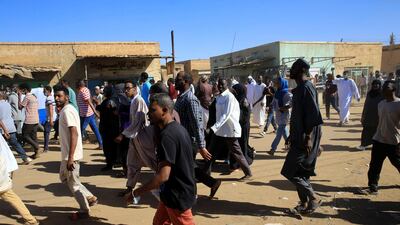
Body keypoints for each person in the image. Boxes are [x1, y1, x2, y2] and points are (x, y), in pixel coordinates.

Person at [128, 93, 196, 225]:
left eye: (153, 110)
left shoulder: (168, 136)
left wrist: (136, 192)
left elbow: (163, 176)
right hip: (170, 193)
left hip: (177, 196)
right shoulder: (178, 129)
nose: (148, 114)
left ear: (164, 110)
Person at [281, 58, 323, 215]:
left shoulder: (307, 87)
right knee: (301, 171)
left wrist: (308, 138)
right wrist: (291, 135)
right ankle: (304, 203)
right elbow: (297, 116)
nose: (290, 72)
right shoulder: (299, 89)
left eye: (292, 69)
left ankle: (313, 198)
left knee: (289, 171)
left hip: (306, 136)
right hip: (299, 135)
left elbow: (313, 115)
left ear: (299, 71)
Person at [175, 72, 221, 198]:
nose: (175, 81)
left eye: (178, 79)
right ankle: (212, 183)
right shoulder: (182, 97)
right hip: (183, 139)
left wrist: (201, 146)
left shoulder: (191, 99)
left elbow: (197, 124)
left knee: (186, 169)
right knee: (188, 167)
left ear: (186, 82)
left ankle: (192, 195)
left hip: (190, 141)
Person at [54, 86, 97, 220]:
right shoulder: (66, 110)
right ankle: (90, 197)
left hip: (71, 155)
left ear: (67, 97)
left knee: (73, 184)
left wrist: (71, 157)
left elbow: (74, 133)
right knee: (64, 178)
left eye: (59, 96)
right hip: (66, 155)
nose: (57, 98)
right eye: (55, 96)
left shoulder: (67, 111)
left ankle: (84, 210)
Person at [206, 78, 253, 180]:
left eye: (222, 85)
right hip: (220, 130)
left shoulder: (230, 98)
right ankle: (206, 173)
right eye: (219, 85)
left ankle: (248, 173)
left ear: (227, 85)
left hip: (229, 130)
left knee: (237, 152)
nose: (220, 86)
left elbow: (225, 115)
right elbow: (218, 114)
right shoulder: (219, 97)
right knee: (211, 150)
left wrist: (213, 128)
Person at [360, 81, 400, 195]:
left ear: (393, 89)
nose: (384, 89)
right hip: (379, 139)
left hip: (394, 141)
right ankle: (373, 187)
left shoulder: (398, 104)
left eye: (387, 87)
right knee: (374, 165)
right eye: (384, 87)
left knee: (397, 162)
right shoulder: (381, 104)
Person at [114, 81, 149, 194]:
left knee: (152, 163)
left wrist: (123, 134)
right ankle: (130, 188)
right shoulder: (133, 101)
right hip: (134, 137)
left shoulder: (138, 101)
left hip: (141, 137)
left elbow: (138, 122)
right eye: (125, 88)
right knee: (132, 163)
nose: (126, 90)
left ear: (135, 88)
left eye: (128, 88)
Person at [0, 139, 39, 225]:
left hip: (2, 180)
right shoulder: (2, 143)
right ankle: (31, 220)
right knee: (15, 200)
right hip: (3, 180)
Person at [0, 91, 32, 164]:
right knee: (15, 144)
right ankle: (25, 158)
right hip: (11, 126)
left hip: (3, 129)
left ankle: (6, 162)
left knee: (3, 146)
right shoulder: (7, 104)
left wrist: (5, 130)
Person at [96, 86, 120, 171]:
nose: (104, 93)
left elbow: (102, 108)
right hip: (113, 128)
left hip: (108, 129)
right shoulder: (116, 99)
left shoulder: (110, 100)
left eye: (105, 91)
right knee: (114, 147)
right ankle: (115, 162)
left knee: (108, 147)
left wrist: (97, 103)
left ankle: (110, 164)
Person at [231, 84, 254, 170]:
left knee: (243, 144)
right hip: (239, 126)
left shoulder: (244, 100)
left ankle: (244, 162)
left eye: (236, 90)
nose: (235, 92)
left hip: (243, 126)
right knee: (238, 144)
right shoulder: (238, 99)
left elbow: (245, 116)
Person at [268, 77, 292, 156]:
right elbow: (274, 102)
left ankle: (273, 149)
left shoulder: (286, 93)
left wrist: (285, 107)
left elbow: (291, 102)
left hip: (284, 116)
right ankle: (290, 147)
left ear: (282, 84)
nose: (276, 84)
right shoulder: (277, 93)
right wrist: (271, 106)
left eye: (278, 83)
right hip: (278, 115)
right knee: (285, 133)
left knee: (278, 134)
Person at [357, 80, 384, 151]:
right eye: (374, 84)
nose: (375, 86)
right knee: (366, 130)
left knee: (377, 131)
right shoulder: (369, 93)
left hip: (378, 116)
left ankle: (376, 146)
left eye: (377, 84)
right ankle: (363, 145)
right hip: (368, 116)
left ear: (380, 85)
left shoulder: (383, 94)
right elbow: (366, 105)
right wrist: (363, 116)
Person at [76, 80, 103, 149]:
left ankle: (77, 145)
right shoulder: (85, 89)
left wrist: (95, 112)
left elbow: (89, 102)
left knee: (81, 129)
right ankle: (101, 144)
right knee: (95, 129)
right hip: (87, 114)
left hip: (86, 114)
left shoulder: (83, 91)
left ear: (79, 85)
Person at [18, 83, 40, 159]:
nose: (21, 91)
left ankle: (36, 147)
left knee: (25, 135)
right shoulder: (34, 96)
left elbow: (20, 107)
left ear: (25, 90)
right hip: (36, 119)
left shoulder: (27, 97)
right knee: (34, 136)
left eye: (21, 90)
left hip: (29, 119)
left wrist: (19, 96)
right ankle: (37, 153)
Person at [43, 86, 55, 152]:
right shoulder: (53, 97)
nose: (43, 92)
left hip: (50, 118)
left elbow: (51, 108)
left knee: (46, 133)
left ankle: (46, 148)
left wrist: (50, 119)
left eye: (44, 90)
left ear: (48, 91)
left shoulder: (49, 98)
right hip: (55, 117)